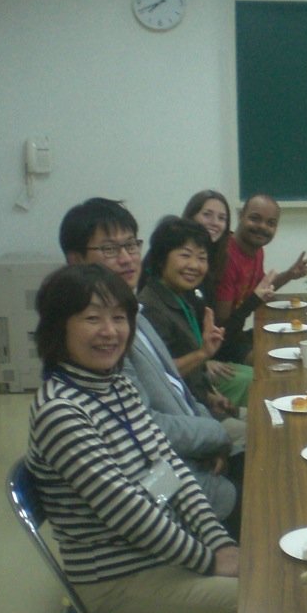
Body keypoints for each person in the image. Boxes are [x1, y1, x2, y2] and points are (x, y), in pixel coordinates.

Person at [27, 263, 240, 613]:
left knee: (279, 578)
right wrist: (210, 560)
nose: (110, 332)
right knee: (270, 608)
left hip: (167, 554)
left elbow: (172, 469)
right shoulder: (61, 411)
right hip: (119, 583)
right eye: (92, 318)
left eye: (119, 318)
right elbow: (128, 511)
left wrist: (220, 543)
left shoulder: (118, 386)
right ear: (59, 326)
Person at [59, 198, 241, 531]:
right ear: (77, 260)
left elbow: (177, 388)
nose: (127, 258)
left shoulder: (132, 314)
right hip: (167, 486)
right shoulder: (100, 340)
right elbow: (145, 428)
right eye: (111, 249)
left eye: (130, 245)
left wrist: (210, 433)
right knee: (264, 487)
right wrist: (215, 435)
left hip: (189, 451)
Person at [139, 216, 252, 410]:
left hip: (202, 404)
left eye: (202, 258)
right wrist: (203, 354)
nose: (194, 265)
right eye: (185, 255)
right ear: (160, 258)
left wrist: (213, 398)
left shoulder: (181, 297)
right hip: (181, 414)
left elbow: (194, 378)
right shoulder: (151, 307)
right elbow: (158, 374)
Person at [213, 193, 307, 363]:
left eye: (271, 223)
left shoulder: (256, 250)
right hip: (219, 344)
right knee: (275, 361)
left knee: (297, 337)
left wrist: (289, 274)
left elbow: (262, 288)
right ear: (240, 216)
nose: (262, 227)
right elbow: (223, 326)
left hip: (235, 335)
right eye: (255, 218)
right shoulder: (227, 257)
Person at [182, 190, 253, 408]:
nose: (215, 223)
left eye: (222, 218)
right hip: (194, 363)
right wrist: (204, 360)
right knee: (255, 378)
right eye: (207, 215)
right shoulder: (183, 268)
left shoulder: (216, 258)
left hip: (211, 349)